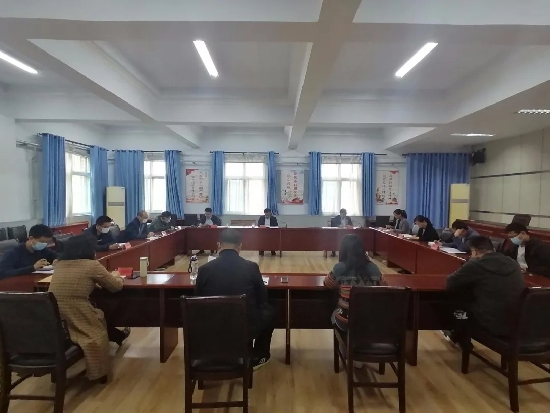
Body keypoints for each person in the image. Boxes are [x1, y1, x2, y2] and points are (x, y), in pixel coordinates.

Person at [48, 235, 131, 382]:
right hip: (77, 313)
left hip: (54, 316)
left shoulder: (58, 264)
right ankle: (99, 373)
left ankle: (117, 335)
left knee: (100, 311)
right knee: (98, 331)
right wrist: (117, 275)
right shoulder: (91, 265)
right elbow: (115, 286)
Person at [195, 228, 276, 370]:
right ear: (240, 246)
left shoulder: (204, 269)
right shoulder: (251, 267)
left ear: (218, 245)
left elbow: (197, 297)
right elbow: (263, 298)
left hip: (212, 324)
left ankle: (210, 352)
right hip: (245, 325)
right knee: (270, 311)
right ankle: (258, 356)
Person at [444, 236, 525, 348]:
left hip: (489, 322)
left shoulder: (475, 264)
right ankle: (457, 336)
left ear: (475, 252)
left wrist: (469, 263)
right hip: (515, 322)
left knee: (458, 302)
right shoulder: (513, 263)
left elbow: (450, 283)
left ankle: (459, 336)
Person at [324, 234, 381, 332]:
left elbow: (327, 283)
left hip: (346, 321)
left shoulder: (340, 268)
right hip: (370, 320)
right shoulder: (373, 268)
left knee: (332, 310)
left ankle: (342, 340)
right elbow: (383, 285)